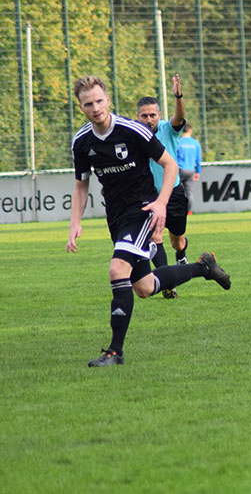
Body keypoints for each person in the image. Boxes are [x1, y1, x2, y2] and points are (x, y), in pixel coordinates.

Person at [67, 75, 232, 367]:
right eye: (87, 104)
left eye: (99, 100)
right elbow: (81, 184)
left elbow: (169, 164)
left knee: (117, 270)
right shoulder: (82, 141)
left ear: (108, 99)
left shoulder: (133, 131)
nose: (95, 108)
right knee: (143, 287)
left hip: (142, 210)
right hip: (116, 217)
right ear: (80, 107)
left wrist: (160, 203)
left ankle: (115, 353)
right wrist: (74, 223)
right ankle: (203, 268)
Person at [137, 76, 192, 291]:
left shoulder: (168, 129)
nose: (148, 119)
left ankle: (181, 253)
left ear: (159, 116)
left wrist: (178, 96)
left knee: (177, 240)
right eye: (144, 115)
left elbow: (179, 116)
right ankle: (168, 283)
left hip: (174, 193)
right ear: (138, 116)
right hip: (150, 196)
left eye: (152, 115)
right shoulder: (134, 133)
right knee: (154, 236)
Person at [177, 121, 202, 214]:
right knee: (189, 192)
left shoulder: (178, 142)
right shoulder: (195, 143)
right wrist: (198, 172)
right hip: (191, 169)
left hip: (179, 169)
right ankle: (189, 211)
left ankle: (179, 210)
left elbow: (174, 156)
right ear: (190, 131)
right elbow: (198, 159)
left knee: (176, 191)